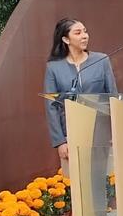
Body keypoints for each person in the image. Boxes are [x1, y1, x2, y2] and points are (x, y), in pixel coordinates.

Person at [44, 18, 117, 166]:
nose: (84, 36)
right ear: (66, 39)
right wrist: (60, 142)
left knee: (104, 181)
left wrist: (116, 132)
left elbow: (113, 98)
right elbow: (52, 107)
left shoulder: (101, 60)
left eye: (85, 31)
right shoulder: (53, 68)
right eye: (78, 33)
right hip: (70, 136)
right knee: (77, 184)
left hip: (101, 134)